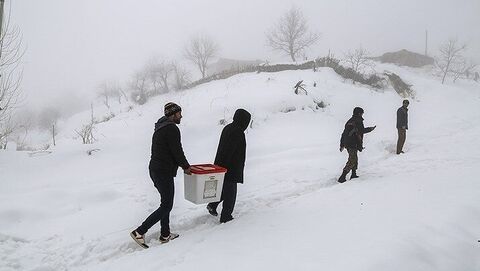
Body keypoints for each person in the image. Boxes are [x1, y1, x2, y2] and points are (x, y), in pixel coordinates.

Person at [131, 102, 191, 249]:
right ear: (172, 114)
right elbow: (177, 151)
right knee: (167, 205)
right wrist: (186, 166)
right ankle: (139, 231)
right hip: (163, 171)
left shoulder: (160, 127)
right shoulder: (171, 129)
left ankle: (165, 234)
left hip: (156, 169)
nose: (181, 116)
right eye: (179, 113)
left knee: (166, 203)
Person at [207, 109, 251, 223]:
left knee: (224, 189)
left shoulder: (228, 128)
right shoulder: (238, 132)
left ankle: (212, 205)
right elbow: (230, 150)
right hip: (230, 167)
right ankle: (226, 216)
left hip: (222, 165)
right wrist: (226, 168)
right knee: (231, 192)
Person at [338, 107, 376, 183]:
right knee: (352, 160)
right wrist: (370, 129)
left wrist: (342, 144)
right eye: (362, 113)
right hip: (353, 143)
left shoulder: (350, 121)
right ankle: (342, 177)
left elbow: (344, 133)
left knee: (354, 158)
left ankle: (353, 174)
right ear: (359, 113)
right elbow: (361, 131)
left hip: (349, 143)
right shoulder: (357, 121)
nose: (362, 114)